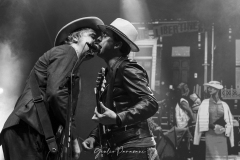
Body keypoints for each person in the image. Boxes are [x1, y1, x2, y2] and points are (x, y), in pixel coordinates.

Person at [0, 17, 104, 160]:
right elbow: (56, 94)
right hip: (28, 129)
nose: (96, 42)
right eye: (92, 36)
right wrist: (73, 138)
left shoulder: (70, 60)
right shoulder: (68, 51)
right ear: (75, 37)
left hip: (27, 128)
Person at [82, 18, 160, 160]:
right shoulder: (110, 72)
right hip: (121, 148)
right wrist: (95, 136)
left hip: (136, 148)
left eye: (105, 36)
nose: (99, 38)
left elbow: (150, 103)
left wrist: (118, 118)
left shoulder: (128, 68)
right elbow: (112, 112)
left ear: (117, 44)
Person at [194, 81, 234, 160]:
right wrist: (213, 126)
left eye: (212, 87)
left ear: (217, 89)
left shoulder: (224, 105)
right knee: (212, 157)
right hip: (210, 135)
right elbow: (200, 121)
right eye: (209, 87)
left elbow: (229, 122)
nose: (209, 89)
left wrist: (225, 129)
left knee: (222, 157)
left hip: (222, 136)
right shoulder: (205, 103)